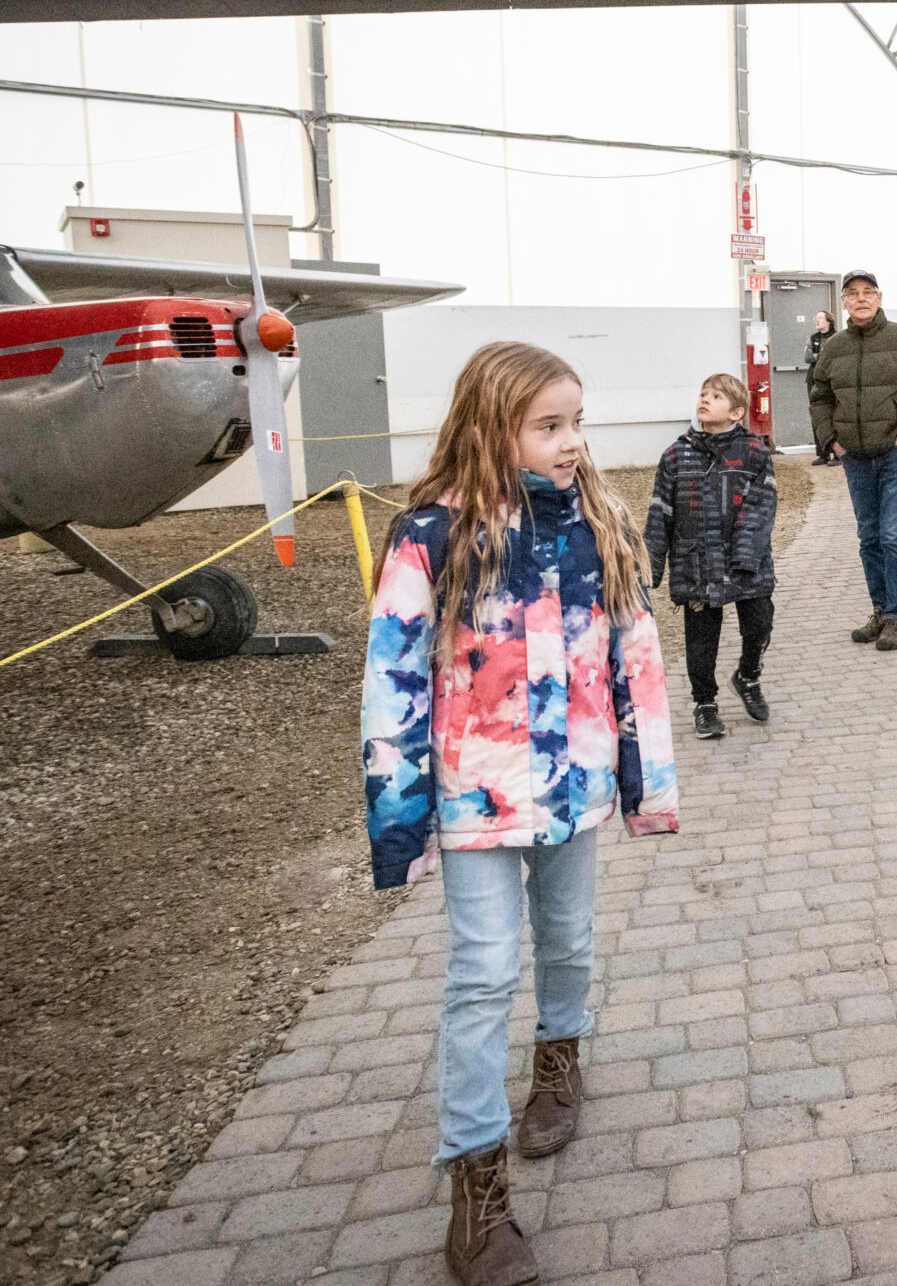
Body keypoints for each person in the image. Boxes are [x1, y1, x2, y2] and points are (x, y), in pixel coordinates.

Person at [362, 342, 678, 1286]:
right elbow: (392, 678)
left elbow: (638, 654)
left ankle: (559, 1061)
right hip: (474, 800)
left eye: (578, 421)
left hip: (575, 788)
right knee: (481, 974)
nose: (573, 442)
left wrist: (644, 780)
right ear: (490, 426)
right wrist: (399, 816)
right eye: (550, 426)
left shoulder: (600, 523)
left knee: (570, 939)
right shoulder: (430, 536)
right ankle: (478, 1189)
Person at [807, 268, 897, 651]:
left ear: (880, 298)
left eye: (869, 292)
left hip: (895, 456)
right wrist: (832, 442)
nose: (861, 298)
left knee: (892, 536)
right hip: (855, 458)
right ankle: (881, 612)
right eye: (853, 293)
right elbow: (819, 397)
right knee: (868, 537)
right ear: (844, 303)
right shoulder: (834, 348)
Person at [644, 372, 778, 741]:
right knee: (700, 640)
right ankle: (705, 704)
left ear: (736, 413)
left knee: (760, 624)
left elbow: (761, 505)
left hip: (746, 563)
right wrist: (649, 567)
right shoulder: (675, 455)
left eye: (716, 397)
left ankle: (748, 677)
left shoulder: (754, 452)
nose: (705, 400)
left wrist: (746, 557)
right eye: (703, 394)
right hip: (696, 563)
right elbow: (661, 513)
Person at [806, 311, 839, 466]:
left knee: (835, 415)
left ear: (828, 321)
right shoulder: (813, 338)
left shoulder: (837, 338)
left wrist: (818, 356)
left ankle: (838, 454)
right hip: (814, 380)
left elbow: (835, 358)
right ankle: (823, 453)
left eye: (819, 318)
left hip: (832, 379)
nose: (816, 321)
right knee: (817, 416)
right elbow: (807, 357)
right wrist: (822, 356)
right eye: (816, 318)